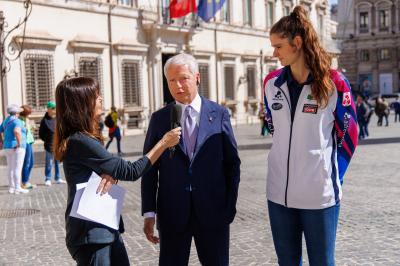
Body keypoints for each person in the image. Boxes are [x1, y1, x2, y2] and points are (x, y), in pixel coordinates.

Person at [263, 6, 358, 265]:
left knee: (322, 262)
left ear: (297, 43)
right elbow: (273, 126)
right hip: (278, 195)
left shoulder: (334, 83)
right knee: (287, 262)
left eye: (279, 46)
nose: (274, 53)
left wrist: (329, 175)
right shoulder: (271, 84)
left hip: (319, 197)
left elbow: (349, 135)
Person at [53, 77, 181, 265]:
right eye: (95, 96)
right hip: (92, 234)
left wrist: (112, 175)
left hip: (104, 228)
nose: (101, 99)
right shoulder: (80, 141)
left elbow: (107, 172)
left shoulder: (84, 138)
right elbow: (131, 171)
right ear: (81, 103)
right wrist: (163, 143)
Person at [141, 53, 241, 266]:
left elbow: (232, 164)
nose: (177, 85)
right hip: (173, 213)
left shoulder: (219, 113)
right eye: (171, 80)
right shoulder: (159, 119)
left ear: (197, 77)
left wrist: (229, 205)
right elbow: (150, 168)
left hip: (213, 212)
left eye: (183, 78)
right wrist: (149, 212)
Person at [0, 104, 29, 194]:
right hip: (17, 147)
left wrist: (2, 141)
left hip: (7, 146)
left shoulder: (6, 121)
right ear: (16, 112)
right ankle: (17, 188)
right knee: (17, 167)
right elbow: (16, 131)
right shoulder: (17, 121)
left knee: (10, 168)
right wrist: (19, 143)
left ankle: (11, 187)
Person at [39, 101, 66, 185]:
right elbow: (41, 134)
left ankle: (58, 178)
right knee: (49, 163)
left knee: (58, 162)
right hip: (49, 145)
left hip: (58, 144)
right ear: (48, 109)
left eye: (55, 108)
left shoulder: (58, 119)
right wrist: (47, 140)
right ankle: (48, 179)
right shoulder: (44, 120)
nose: (55, 110)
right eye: (53, 108)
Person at [19, 105, 37, 189]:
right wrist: (27, 124)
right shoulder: (20, 120)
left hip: (29, 141)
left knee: (31, 163)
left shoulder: (26, 119)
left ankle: (26, 181)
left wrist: (32, 128)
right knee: (27, 163)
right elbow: (23, 131)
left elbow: (30, 130)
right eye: (28, 113)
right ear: (25, 113)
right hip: (25, 143)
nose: (29, 115)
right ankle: (24, 182)